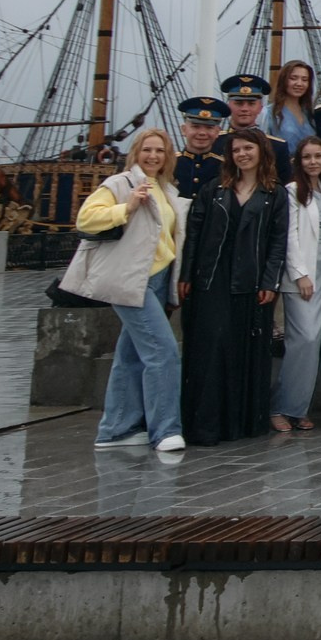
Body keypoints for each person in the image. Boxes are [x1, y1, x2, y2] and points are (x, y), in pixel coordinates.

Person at [69, 128, 190, 453]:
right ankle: (164, 429)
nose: (153, 156)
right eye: (147, 150)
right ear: (136, 152)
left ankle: (115, 430)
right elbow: (86, 218)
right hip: (131, 279)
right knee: (163, 352)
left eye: (160, 151)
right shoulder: (121, 184)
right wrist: (126, 208)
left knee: (131, 355)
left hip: (157, 278)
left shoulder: (165, 189)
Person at [176, 129, 285, 446]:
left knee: (244, 349)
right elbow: (194, 235)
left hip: (250, 280)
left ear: (261, 151)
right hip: (213, 277)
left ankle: (242, 421)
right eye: (236, 150)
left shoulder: (273, 194)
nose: (242, 154)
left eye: (248, 148)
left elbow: (278, 242)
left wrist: (270, 281)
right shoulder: (214, 190)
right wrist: (186, 275)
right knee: (211, 348)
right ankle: (206, 424)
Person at [272, 136, 321, 433]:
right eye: (307, 157)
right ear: (298, 161)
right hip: (303, 276)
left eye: (318, 156)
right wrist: (299, 273)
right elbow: (290, 235)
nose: (313, 162)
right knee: (304, 339)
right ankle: (280, 406)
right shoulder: (292, 191)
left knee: (314, 342)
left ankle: (298, 409)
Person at [173, 96, 228, 200]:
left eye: (209, 128)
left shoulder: (226, 168)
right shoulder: (169, 164)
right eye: (196, 126)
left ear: (217, 132)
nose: (202, 133)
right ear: (184, 130)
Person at [268, 61, 318, 152]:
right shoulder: (269, 113)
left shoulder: (310, 114)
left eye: (304, 79)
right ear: (284, 80)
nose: (299, 84)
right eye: (293, 78)